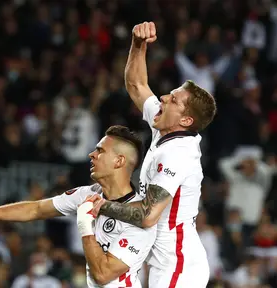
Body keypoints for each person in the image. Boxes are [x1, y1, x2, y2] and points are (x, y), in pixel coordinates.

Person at [89, 22, 217, 288]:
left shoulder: (178, 154)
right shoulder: (165, 127)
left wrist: (102, 207)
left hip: (177, 265)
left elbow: (148, 215)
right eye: (170, 94)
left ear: (186, 119)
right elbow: (136, 84)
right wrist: (138, 45)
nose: (163, 98)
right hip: (162, 261)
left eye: (173, 100)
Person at [0, 125, 156, 287]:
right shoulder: (87, 194)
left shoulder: (140, 218)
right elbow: (36, 208)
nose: (91, 155)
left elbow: (102, 274)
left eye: (100, 151)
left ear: (119, 161)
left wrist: (85, 224)